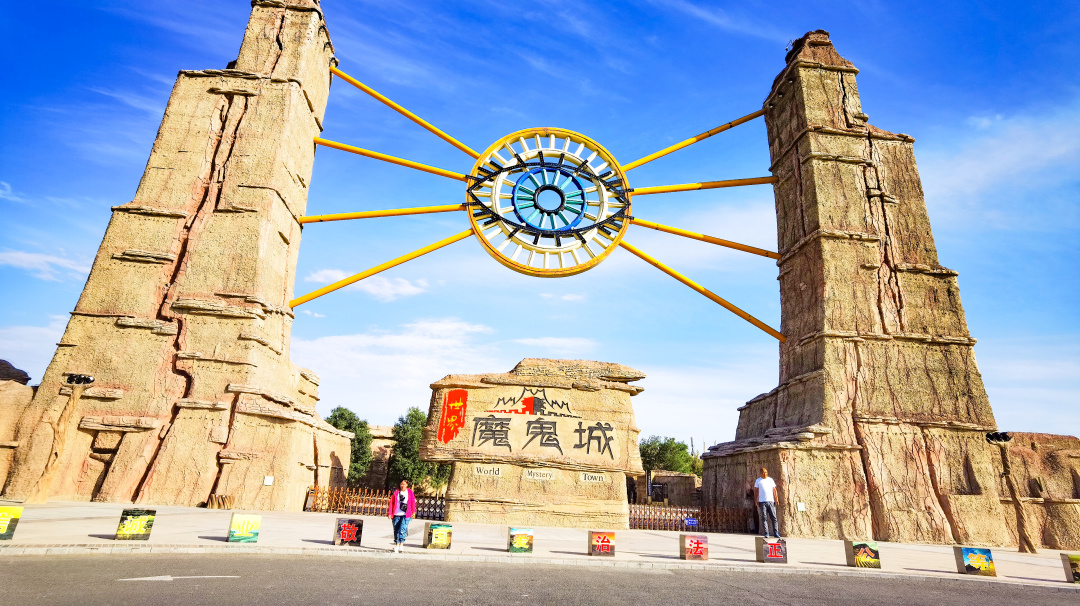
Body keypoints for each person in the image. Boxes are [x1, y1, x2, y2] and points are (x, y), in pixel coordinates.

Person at [387, 479, 416, 553]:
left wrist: (413, 511)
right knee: (396, 529)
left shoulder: (409, 492)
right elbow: (391, 503)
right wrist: (390, 513)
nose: (403, 485)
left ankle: (401, 545)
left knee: (402, 529)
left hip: (406, 514)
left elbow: (412, 501)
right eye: (402, 484)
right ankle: (397, 545)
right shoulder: (396, 492)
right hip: (396, 513)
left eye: (404, 484)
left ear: (407, 485)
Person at [754, 467, 780, 538]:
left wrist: (776, 499)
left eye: (766, 472)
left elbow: (774, 490)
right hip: (762, 502)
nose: (765, 474)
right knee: (764, 518)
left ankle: (776, 532)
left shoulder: (770, 480)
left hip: (771, 501)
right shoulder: (758, 481)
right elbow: (756, 491)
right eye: (763, 472)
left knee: (774, 517)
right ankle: (766, 533)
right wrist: (756, 500)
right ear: (761, 473)